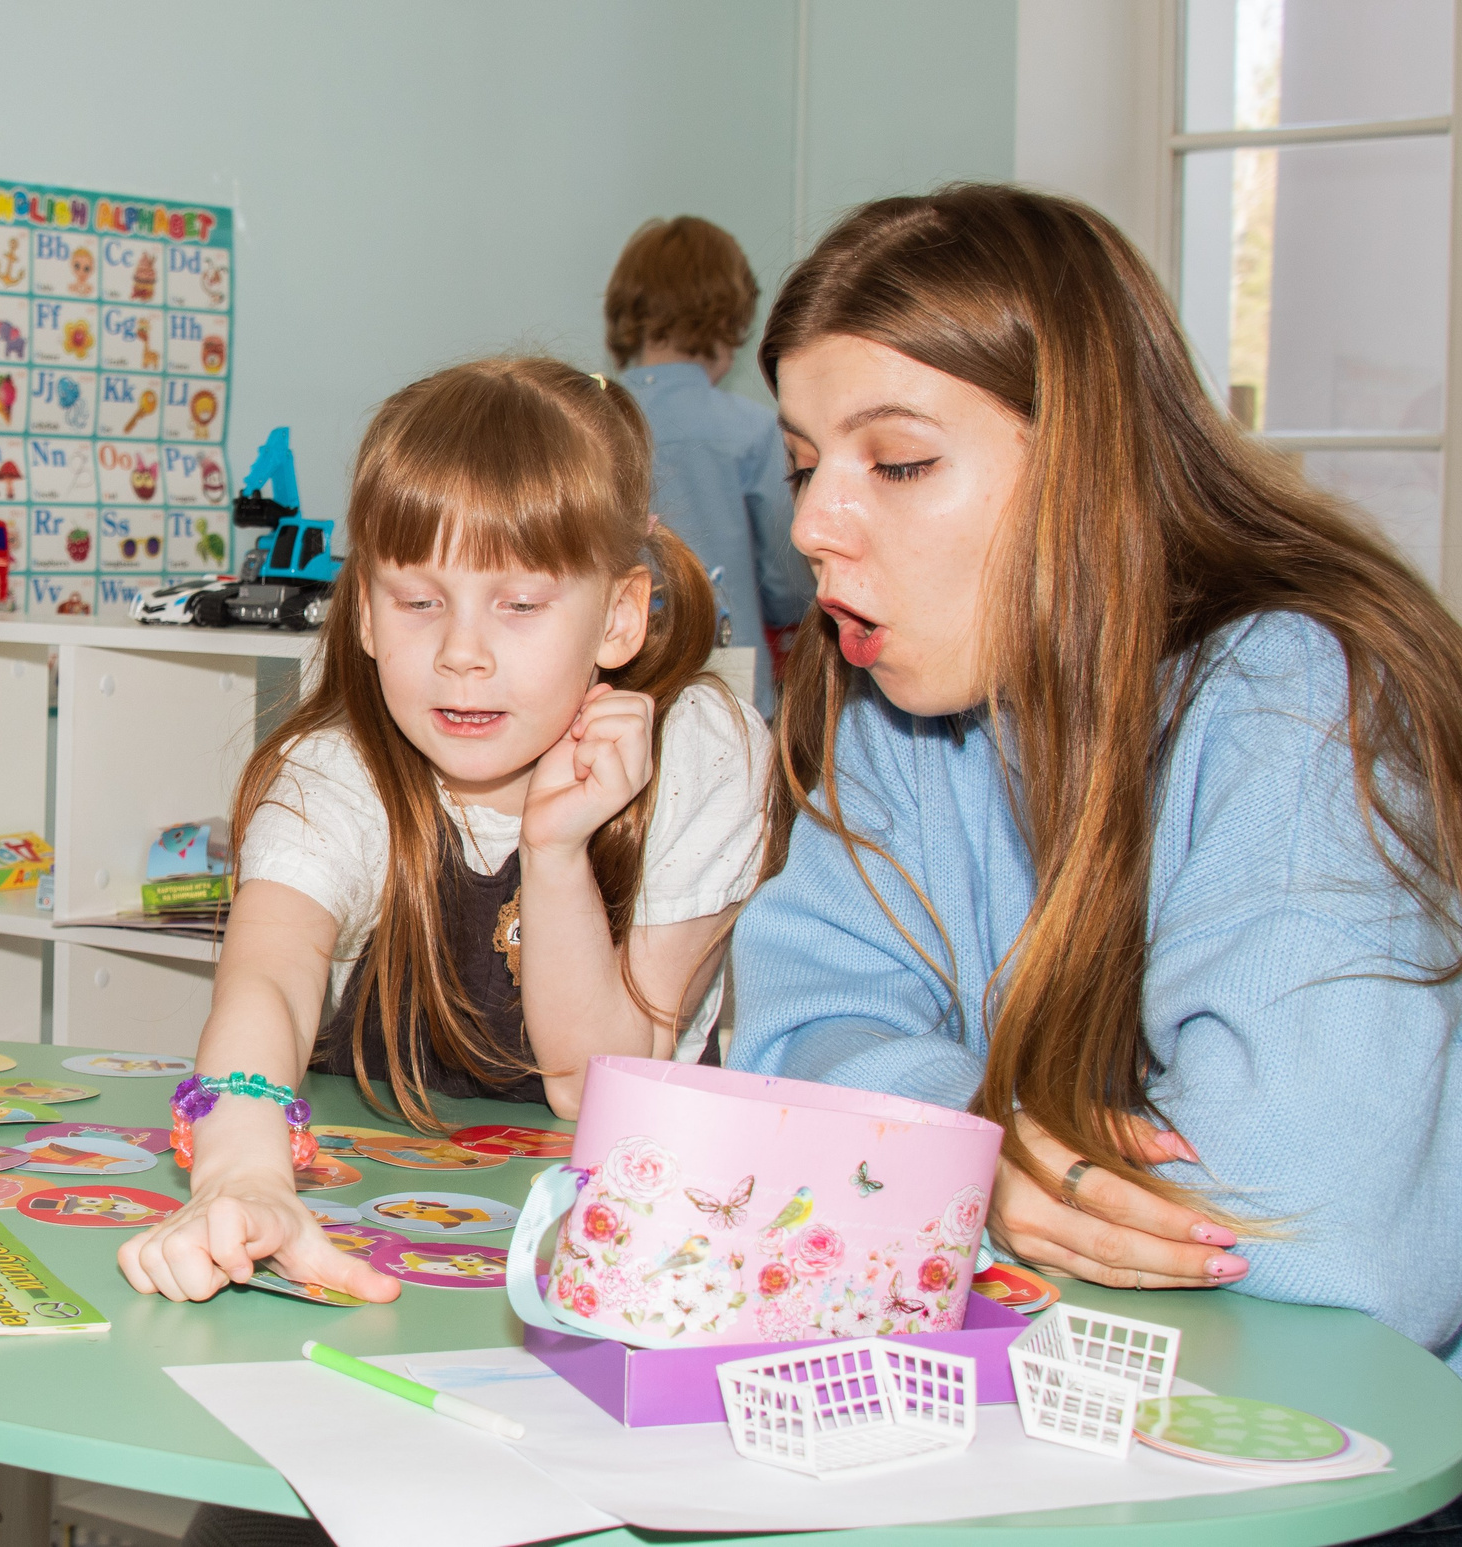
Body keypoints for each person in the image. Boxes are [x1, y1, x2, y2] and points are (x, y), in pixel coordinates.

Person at [730, 186, 1462, 1389]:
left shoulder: (1297, 694)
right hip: (1050, 1400)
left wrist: (926, 1146)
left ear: (1086, 458)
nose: (814, 523)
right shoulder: (895, 695)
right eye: (806, 464)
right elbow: (785, 1037)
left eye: (898, 462)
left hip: (1328, 1447)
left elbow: (1309, 1227)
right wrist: (983, 1146)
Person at [121, 358, 770, 1313]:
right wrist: (242, 1172)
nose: (463, 652)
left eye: (521, 604)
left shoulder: (702, 753)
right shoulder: (341, 766)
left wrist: (553, 855)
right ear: (370, 615)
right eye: (420, 601)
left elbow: (594, 1093)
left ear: (620, 615)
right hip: (372, 1221)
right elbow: (270, 971)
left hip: (606, 1254)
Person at [606, 215, 814, 717]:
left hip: (615, 677)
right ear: (729, 320)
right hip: (728, 682)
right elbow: (787, 579)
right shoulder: (752, 430)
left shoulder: (590, 419)